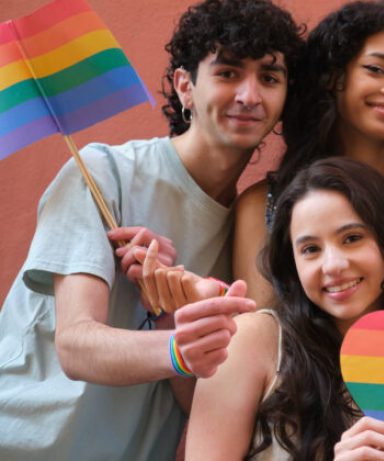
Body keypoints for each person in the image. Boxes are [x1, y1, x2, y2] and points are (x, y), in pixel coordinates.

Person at [0, 0, 303, 459]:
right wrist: (180, 347)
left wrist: (175, 314)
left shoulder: (253, 228)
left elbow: (195, 398)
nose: (249, 95)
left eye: (269, 77)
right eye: (227, 73)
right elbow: (76, 345)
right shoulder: (103, 173)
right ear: (185, 86)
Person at [234, 1, 384, 324]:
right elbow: (260, 334)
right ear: (332, 75)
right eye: (377, 70)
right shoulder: (265, 205)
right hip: (314, 374)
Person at [174, 158, 384, 460]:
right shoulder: (254, 341)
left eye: (352, 238)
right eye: (311, 249)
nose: (333, 265)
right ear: (292, 264)